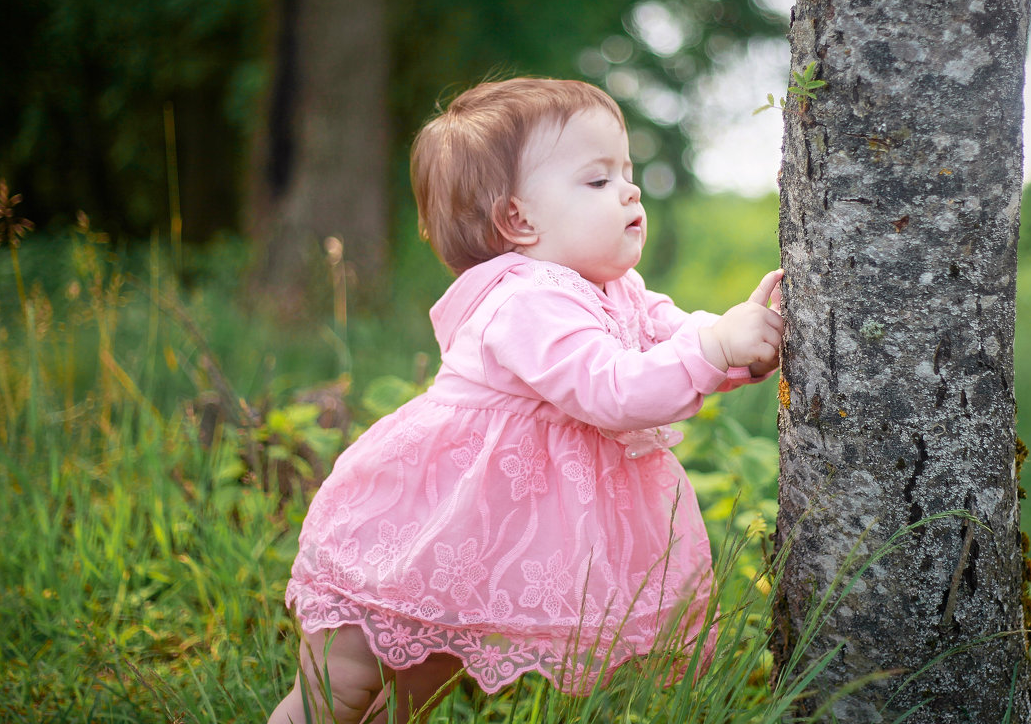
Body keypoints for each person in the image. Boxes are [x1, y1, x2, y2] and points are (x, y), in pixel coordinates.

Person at [269, 77, 784, 724]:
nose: (629, 190)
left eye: (627, 172)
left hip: (483, 539)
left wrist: (738, 346)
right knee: (344, 683)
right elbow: (614, 388)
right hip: (427, 526)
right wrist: (716, 349)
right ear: (518, 218)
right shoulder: (524, 301)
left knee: (414, 691)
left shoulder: (614, 289)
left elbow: (672, 338)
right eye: (597, 181)